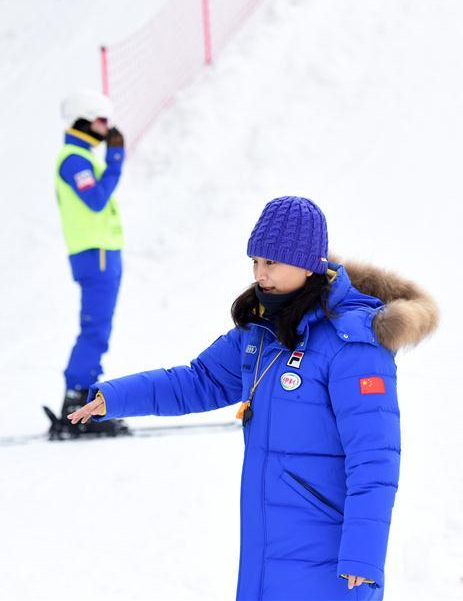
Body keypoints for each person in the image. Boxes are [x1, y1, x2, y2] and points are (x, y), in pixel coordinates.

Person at [69, 196, 439, 599]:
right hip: (268, 545)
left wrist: (363, 555)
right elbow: (199, 380)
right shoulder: (263, 330)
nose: (260, 275)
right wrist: (115, 396)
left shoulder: (353, 343)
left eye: (272, 263)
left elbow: (375, 458)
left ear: (308, 263)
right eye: (256, 262)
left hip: (330, 554)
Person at [47, 89, 130, 440]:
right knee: (95, 330)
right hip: (95, 253)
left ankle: (82, 401)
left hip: (101, 252)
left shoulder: (80, 157)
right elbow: (95, 199)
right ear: (82, 119)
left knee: (99, 328)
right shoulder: (74, 159)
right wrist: (115, 160)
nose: (107, 127)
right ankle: (77, 404)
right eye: (101, 120)